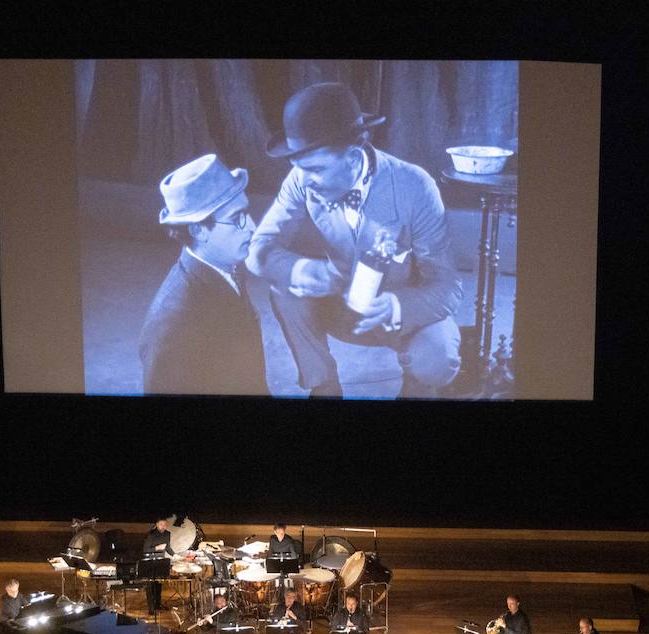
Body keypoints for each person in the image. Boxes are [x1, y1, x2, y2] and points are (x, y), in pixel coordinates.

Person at [248, 82, 462, 399]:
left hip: (399, 315)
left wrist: (396, 305)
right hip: (339, 306)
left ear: (353, 156)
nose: (303, 181)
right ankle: (324, 386)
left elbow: (448, 286)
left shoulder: (415, 185)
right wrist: (303, 271)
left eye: (316, 169)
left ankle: (417, 386)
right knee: (284, 290)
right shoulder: (301, 178)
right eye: (297, 168)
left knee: (437, 360)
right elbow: (258, 249)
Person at [139, 154, 264, 396]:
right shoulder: (172, 322)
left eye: (247, 213)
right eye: (237, 219)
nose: (252, 226)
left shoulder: (227, 267)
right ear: (199, 231)